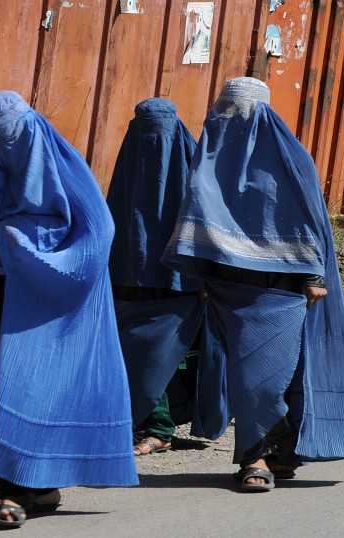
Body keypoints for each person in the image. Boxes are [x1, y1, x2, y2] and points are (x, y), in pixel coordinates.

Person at [0, 90, 138, 527]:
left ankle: (34, 485)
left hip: (56, 305)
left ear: (30, 132)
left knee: (43, 391)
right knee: (6, 388)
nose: (1, 153)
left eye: (10, 141)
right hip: (2, 304)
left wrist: (28, 247)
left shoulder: (65, 168)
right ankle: (18, 488)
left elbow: (98, 235)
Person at [162, 77, 344, 492]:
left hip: (279, 290)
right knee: (245, 379)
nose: (228, 118)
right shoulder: (210, 153)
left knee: (266, 381)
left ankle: (258, 457)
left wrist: (313, 276)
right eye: (224, 108)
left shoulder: (291, 158)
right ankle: (269, 453)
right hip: (224, 288)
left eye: (238, 109)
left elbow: (310, 218)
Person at [106, 98, 205, 456]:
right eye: (146, 130)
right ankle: (151, 425)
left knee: (163, 355)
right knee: (138, 355)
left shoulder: (196, 175)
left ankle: (160, 428)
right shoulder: (128, 169)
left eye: (160, 131)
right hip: (129, 279)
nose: (153, 140)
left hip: (179, 283)